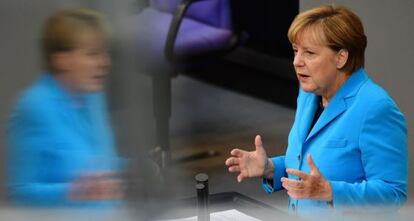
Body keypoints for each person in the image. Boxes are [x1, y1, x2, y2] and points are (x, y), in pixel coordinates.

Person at [225, 5, 407, 216]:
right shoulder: (309, 94)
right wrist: (269, 168)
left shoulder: (375, 108)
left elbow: (393, 193)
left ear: (341, 58)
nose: (296, 62)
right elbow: (309, 163)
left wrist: (331, 192)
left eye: (309, 53)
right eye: (295, 51)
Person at [7, 8, 124, 207]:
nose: (105, 63)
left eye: (105, 53)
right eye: (92, 54)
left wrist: (135, 168)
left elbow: (100, 165)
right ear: (62, 61)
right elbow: (20, 191)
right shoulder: (34, 106)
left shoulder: (93, 97)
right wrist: (75, 190)